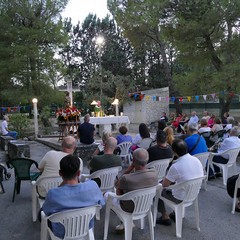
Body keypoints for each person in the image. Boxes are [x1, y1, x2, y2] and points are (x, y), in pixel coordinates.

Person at [42, 155, 105, 239]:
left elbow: (47, 212)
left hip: (61, 232)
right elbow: (102, 204)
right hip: (86, 226)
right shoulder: (92, 186)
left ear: (60, 173)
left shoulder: (53, 194)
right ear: (78, 173)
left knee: (41, 213)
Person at [156, 139, 204, 226]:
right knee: (179, 183)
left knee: (157, 190)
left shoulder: (176, 166)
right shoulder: (196, 160)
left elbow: (164, 186)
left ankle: (164, 217)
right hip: (193, 194)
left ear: (174, 151)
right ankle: (175, 213)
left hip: (180, 198)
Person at [114, 148, 158, 231]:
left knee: (109, 197)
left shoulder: (126, 178)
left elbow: (117, 188)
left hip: (129, 208)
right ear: (147, 160)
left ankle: (125, 221)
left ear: (133, 160)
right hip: (145, 205)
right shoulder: (154, 174)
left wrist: (129, 169)